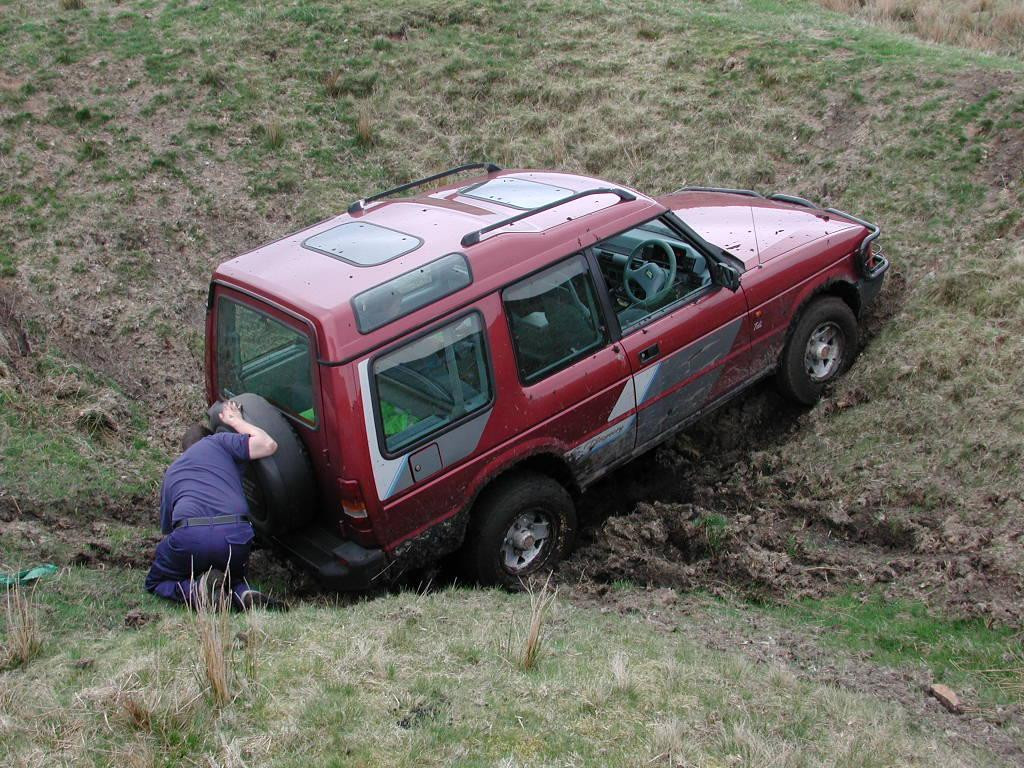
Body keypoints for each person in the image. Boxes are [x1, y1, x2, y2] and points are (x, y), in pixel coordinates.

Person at [145, 401, 283, 610]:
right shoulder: (219, 443)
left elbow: (168, 529)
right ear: (208, 437)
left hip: (191, 536)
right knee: (233, 577)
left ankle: (198, 590)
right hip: (235, 535)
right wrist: (236, 421)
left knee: (155, 582)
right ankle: (243, 593)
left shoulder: (172, 471)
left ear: (184, 451)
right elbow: (268, 444)